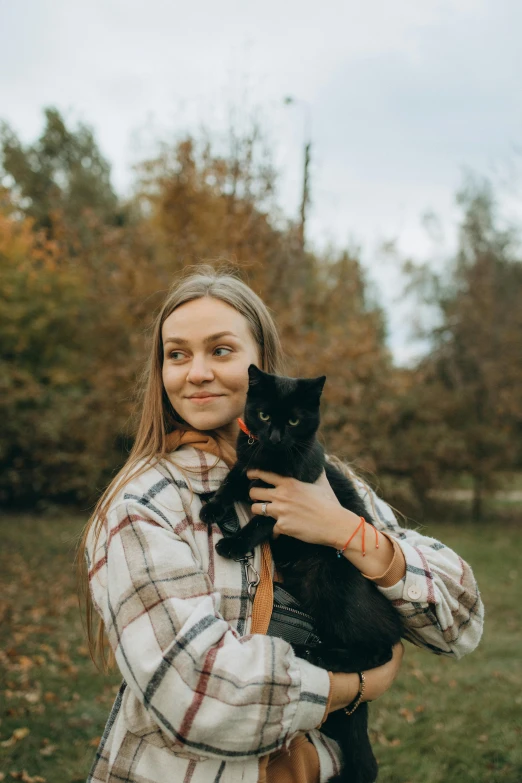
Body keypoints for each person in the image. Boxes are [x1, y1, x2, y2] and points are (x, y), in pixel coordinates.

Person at [77, 266, 484, 783]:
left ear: (260, 368)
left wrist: (346, 531)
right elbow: (198, 696)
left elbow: (462, 621)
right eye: (177, 354)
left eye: (220, 350)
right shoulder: (144, 504)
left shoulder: (321, 478)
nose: (196, 372)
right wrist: (357, 687)